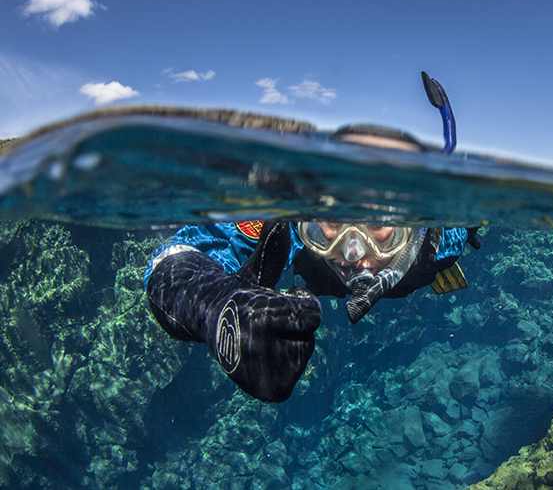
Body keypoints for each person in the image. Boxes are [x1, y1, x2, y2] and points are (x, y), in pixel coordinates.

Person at [144, 124, 480, 403]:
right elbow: (175, 255)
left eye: (377, 222)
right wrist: (217, 308)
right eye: (333, 221)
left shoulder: (444, 230)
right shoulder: (287, 221)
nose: (352, 254)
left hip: (427, 265)